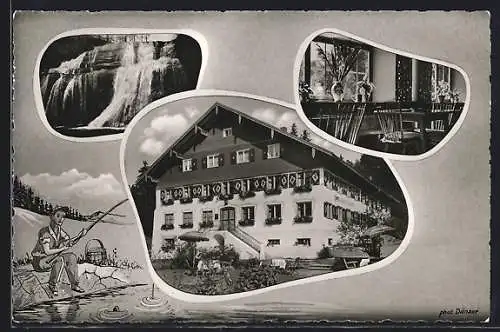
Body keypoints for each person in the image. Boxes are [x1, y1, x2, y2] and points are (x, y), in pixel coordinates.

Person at [31, 207, 87, 296]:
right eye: (58, 216)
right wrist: (62, 249)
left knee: (71, 257)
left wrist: (80, 236)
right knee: (59, 259)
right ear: (51, 216)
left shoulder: (60, 231)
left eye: (63, 216)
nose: (61, 219)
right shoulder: (44, 232)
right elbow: (47, 251)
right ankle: (52, 285)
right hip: (40, 261)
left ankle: (74, 285)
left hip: (52, 258)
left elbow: (69, 242)